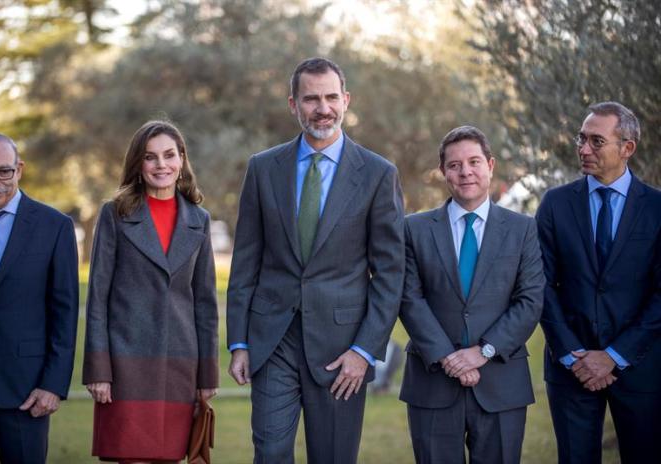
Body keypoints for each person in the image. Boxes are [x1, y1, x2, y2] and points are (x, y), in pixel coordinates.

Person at [226, 57, 405, 463]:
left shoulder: (378, 174)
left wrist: (364, 351)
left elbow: (391, 273)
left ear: (346, 99)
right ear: (294, 104)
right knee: (270, 453)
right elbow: (245, 261)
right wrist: (239, 342)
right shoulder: (263, 168)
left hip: (341, 351)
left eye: (330, 97)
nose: (322, 108)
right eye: (311, 99)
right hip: (274, 341)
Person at [399, 126, 544, 463]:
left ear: (491, 165)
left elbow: (530, 300)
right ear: (443, 172)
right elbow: (409, 298)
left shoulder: (523, 229)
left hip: (501, 384)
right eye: (455, 165)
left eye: (474, 162)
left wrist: (485, 350)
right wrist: (448, 357)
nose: (465, 172)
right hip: (432, 381)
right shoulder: (414, 229)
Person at [82, 120, 218, 463]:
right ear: (138, 165)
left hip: (180, 366)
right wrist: (98, 369)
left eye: (169, 155)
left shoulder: (199, 220)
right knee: (132, 457)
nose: (161, 165)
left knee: (171, 457)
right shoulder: (115, 214)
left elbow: (205, 303)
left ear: (182, 159)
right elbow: (98, 297)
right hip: (127, 364)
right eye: (150, 157)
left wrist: (207, 374)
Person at [536, 101, 661, 463]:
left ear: (628, 148)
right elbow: (539, 284)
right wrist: (574, 354)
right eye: (581, 138)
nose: (583, 149)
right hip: (570, 369)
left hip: (641, 369)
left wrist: (614, 356)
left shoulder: (656, 209)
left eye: (596, 141)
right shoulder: (555, 204)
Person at [0, 132, 79, 464]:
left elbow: (65, 311)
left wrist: (53, 385)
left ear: (20, 169)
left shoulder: (53, 226)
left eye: (4, 171)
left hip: (25, 392)